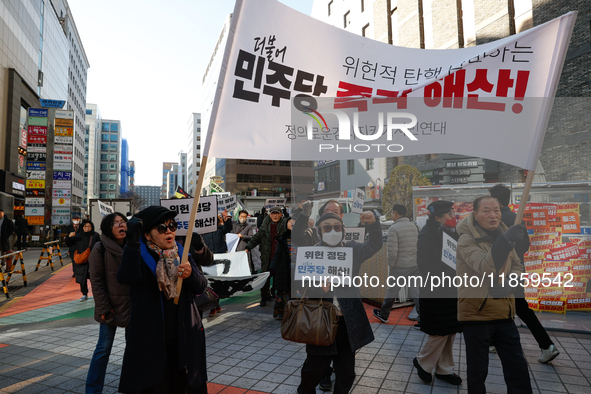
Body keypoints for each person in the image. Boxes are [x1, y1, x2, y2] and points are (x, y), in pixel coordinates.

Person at [117, 205, 212, 393]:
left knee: (184, 385)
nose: (169, 231)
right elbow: (127, 278)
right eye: (162, 227)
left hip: (184, 337)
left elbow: (201, 286)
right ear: (147, 235)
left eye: (172, 226)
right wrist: (132, 243)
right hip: (151, 339)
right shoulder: (139, 254)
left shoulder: (181, 253)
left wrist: (191, 273)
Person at [297, 211, 383, 394]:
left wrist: (374, 224)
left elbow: (375, 244)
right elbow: (299, 282)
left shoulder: (353, 248)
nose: (333, 231)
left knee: (346, 372)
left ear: (343, 230)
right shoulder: (312, 252)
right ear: (319, 232)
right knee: (314, 369)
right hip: (320, 321)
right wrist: (317, 287)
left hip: (346, 320)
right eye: (327, 228)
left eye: (337, 227)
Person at [456, 196, 532, 393]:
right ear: (475, 214)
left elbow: (517, 265)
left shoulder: (504, 233)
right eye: (487, 210)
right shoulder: (466, 240)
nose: (493, 215)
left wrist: (510, 283)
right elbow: (484, 267)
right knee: (478, 372)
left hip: (504, 312)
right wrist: (505, 241)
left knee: (518, 368)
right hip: (476, 313)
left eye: (496, 210)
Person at [489, 184, 559, 363]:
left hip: (498, 272)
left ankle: (494, 343)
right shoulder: (515, 217)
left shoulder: (492, 219)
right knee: (520, 307)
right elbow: (525, 246)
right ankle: (546, 346)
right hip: (516, 272)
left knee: (493, 304)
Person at [411, 200, 462, 385]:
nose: (452, 217)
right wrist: (449, 272)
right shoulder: (427, 234)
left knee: (450, 331)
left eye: (452, 213)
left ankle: (445, 369)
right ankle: (422, 361)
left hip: (451, 288)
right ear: (437, 217)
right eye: (448, 214)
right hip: (436, 289)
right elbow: (424, 265)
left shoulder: (452, 232)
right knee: (440, 331)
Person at [86, 213, 131, 393]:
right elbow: (96, 281)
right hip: (110, 307)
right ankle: (93, 390)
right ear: (107, 228)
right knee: (103, 348)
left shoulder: (135, 245)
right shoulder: (100, 248)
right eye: (116, 223)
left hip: (132, 306)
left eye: (123, 222)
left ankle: (132, 386)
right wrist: (104, 307)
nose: (121, 226)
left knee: (134, 348)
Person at [373, 203, 420, 324]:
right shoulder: (414, 226)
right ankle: (423, 318)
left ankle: (384, 314)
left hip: (400, 265)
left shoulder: (393, 228)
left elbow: (392, 251)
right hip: (414, 264)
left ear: (395, 213)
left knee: (392, 291)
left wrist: (391, 265)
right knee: (416, 292)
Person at [245, 206, 288, 306]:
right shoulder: (264, 226)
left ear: (281, 215)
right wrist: (248, 247)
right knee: (265, 279)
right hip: (267, 257)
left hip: (280, 258)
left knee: (280, 279)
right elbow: (256, 238)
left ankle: (276, 296)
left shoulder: (285, 225)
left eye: (277, 213)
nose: (275, 215)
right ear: (270, 214)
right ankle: (264, 297)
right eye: (273, 213)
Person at [66, 219, 100, 301]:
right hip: (81, 261)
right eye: (85, 226)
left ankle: (96, 294)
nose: (87, 228)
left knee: (94, 279)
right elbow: (69, 244)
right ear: (82, 227)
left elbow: (100, 246)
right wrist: (69, 237)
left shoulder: (95, 235)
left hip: (93, 260)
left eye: (89, 226)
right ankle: (84, 294)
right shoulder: (78, 236)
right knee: (82, 279)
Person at [269, 217, 294, 319]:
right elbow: (277, 255)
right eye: (290, 221)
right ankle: (282, 314)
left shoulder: (303, 239)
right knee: (283, 292)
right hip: (284, 270)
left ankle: (294, 313)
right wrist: (272, 268)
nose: (292, 223)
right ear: (286, 225)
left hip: (297, 271)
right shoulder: (282, 239)